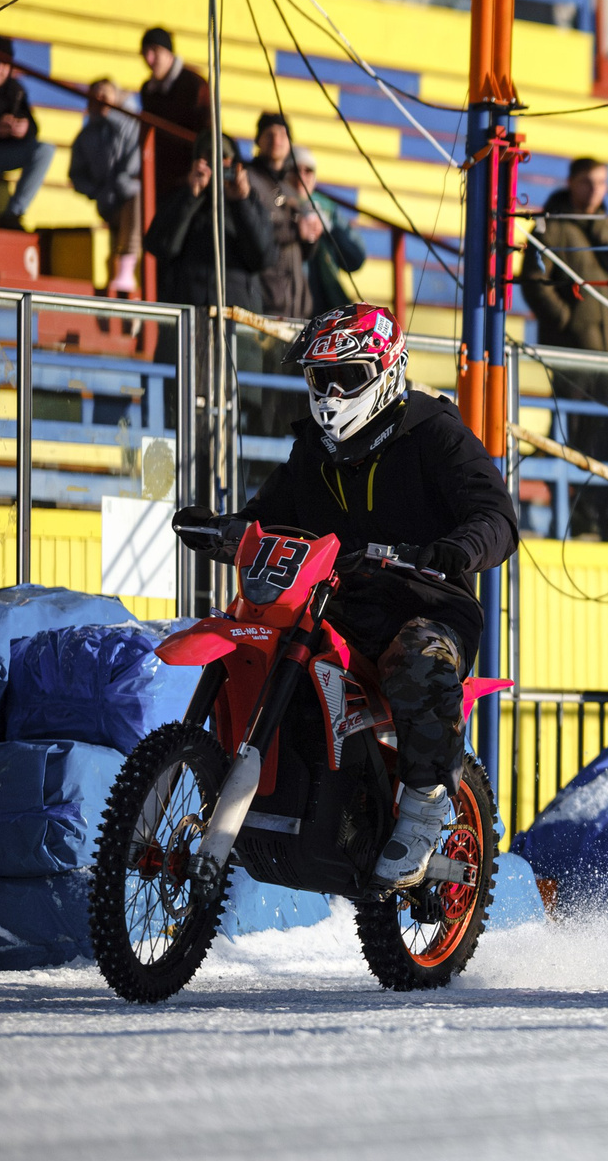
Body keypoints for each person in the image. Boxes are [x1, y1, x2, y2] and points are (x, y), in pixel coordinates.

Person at [173, 304, 516, 890]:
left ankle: (425, 806)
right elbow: (267, 518)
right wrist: (224, 530)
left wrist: (455, 549)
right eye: (320, 378)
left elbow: (497, 517)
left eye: (348, 377)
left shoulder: (434, 432)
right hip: (335, 603)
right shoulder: (313, 450)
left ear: (387, 372)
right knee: (266, 638)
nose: (331, 394)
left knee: (417, 658)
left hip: (426, 603)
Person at [519, 157, 608, 537]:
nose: (596, 189)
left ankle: (596, 518)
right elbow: (533, 280)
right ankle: (570, 518)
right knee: (574, 437)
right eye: (588, 181)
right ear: (571, 182)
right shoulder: (550, 225)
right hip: (574, 356)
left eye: (602, 181)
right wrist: (568, 322)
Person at [142, 137, 273, 311]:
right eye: (209, 158)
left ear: (235, 164)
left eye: (223, 158)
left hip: (239, 315)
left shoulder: (249, 200)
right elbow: (160, 247)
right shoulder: (181, 197)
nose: (217, 165)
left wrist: (241, 202)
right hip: (191, 313)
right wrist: (191, 196)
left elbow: (263, 257)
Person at [0, 36, 55, 232]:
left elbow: (33, 127)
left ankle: (13, 214)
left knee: (45, 150)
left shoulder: (15, 90)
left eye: (4, 65)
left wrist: (22, 129)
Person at [241, 111, 318, 325]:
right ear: (258, 139)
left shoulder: (289, 188)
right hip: (265, 306)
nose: (277, 140)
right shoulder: (248, 180)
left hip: (297, 309)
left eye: (283, 134)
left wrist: (311, 235)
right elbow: (253, 233)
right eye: (270, 134)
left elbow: (304, 253)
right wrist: (295, 230)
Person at [69, 79, 144, 295]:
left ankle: (126, 269)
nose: (100, 99)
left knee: (135, 199)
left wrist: (118, 185)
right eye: (96, 95)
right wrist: (96, 192)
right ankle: (118, 271)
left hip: (131, 193)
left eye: (105, 94)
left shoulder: (133, 124)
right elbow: (76, 174)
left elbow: (136, 160)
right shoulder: (86, 136)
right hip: (108, 201)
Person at [137, 27, 211, 212]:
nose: (149, 59)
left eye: (155, 51)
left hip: (192, 179)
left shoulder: (195, 85)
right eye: (145, 53)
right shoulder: (147, 90)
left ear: (169, 53)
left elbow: (207, 134)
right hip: (161, 180)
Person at [292, 146, 368, 313]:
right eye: (296, 170)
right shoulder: (276, 204)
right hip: (288, 306)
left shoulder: (327, 208)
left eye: (308, 171)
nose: (302, 177)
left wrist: (331, 227)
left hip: (326, 307)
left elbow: (356, 259)